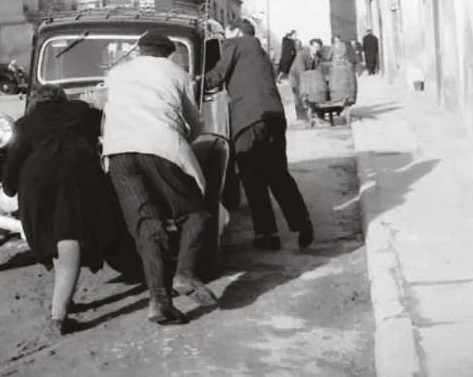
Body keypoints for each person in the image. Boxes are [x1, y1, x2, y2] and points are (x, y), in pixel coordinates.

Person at [101, 31, 218, 326]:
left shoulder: (116, 73)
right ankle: (185, 272)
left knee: (148, 227)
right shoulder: (178, 74)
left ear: (139, 50)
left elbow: (105, 113)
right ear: (168, 53)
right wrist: (184, 136)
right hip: (160, 146)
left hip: (118, 152)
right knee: (195, 214)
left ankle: (159, 303)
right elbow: (194, 121)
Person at [0, 85, 123, 336]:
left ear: (34, 102)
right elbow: (112, 128)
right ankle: (59, 315)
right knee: (70, 239)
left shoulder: (25, 124)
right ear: (62, 98)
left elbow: (10, 174)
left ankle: (64, 300)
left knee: (54, 240)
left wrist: (10, 189)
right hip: (77, 178)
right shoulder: (82, 111)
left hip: (36, 184)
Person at [198, 19, 313, 251]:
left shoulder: (235, 44)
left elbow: (217, 75)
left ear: (236, 31)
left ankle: (267, 235)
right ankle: (302, 222)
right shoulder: (260, 51)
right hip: (274, 116)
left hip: (248, 119)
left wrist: (195, 82)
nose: (225, 39)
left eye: (227, 33)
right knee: (278, 173)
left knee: (253, 177)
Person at [288, 38, 325, 122]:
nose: (316, 49)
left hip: (308, 76)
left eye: (318, 47)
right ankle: (301, 117)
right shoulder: (302, 54)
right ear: (310, 46)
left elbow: (319, 70)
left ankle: (313, 113)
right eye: (315, 46)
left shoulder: (319, 56)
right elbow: (301, 71)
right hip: (295, 77)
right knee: (299, 96)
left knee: (313, 93)